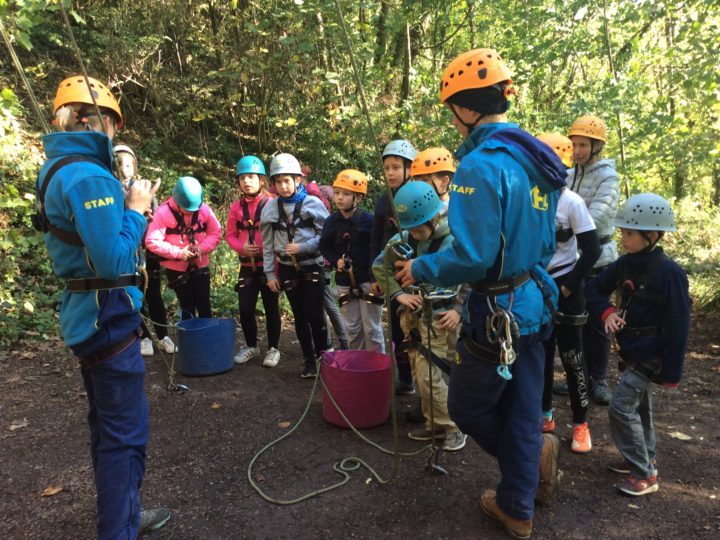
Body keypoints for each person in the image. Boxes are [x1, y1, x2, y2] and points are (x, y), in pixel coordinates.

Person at [395, 49, 567, 538]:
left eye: (452, 110)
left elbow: (471, 255)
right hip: (533, 300)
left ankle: (529, 464)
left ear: (465, 109)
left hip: (497, 312)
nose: (453, 121)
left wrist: (420, 267)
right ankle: (518, 503)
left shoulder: (479, 166)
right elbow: (547, 239)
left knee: (468, 407)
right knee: (522, 404)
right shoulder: (535, 156)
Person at [35, 74, 169, 537]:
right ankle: (120, 529)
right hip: (106, 315)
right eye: (112, 126)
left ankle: (124, 513)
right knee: (124, 437)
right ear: (100, 123)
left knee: (106, 428)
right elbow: (113, 261)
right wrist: (134, 210)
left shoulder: (55, 168)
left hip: (85, 315)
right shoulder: (90, 176)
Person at [585, 193, 690, 496]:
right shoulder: (624, 264)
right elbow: (594, 289)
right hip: (632, 351)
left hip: (652, 355)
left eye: (629, 232)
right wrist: (606, 312)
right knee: (640, 407)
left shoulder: (670, 274)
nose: (623, 237)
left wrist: (671, 371)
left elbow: (679, 325)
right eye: (622, 231)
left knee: (620, 407)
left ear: (652, 235)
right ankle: (645, 457)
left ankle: (645, 474)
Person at [373, 182, 467, 452]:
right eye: (410, 228)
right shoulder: (403, 239)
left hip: (440, 317)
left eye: (419, 228)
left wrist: (459, 310)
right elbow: (381, 265)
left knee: (430, 375)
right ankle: (435, 423)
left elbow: (473, 278)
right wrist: (397, 295)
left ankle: (452, 427)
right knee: (419, 371)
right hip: (413, 317)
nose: (415, 233)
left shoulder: (453, 239)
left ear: (434, 217)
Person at [536, 133, 601, 454]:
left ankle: (580, 422)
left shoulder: (571, 202)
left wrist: (566, 286)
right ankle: (545, 413)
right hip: (537, 287)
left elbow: (590, 250)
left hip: (566, 287)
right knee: (541, 355)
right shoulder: (529, 199)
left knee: (573, 358)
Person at [564, 115, 620, 406]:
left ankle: (598, 379)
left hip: (598, 258)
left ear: (597, 146)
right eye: (574, 144)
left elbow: (599, 217)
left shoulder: (608, 177)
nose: (577, 150)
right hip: (572, 257)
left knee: (596, 323)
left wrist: (567, 224)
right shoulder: (568, 174)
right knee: (573, 320)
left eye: (583, 144)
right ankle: (577, 376)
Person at [260, 153, 330, 378]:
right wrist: (270, 273)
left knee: (315, 315)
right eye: (278, 182)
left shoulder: (313, 204)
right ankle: (309, 360)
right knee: (299, 315)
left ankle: (324, 356)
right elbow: (268, 244)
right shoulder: (271, 209)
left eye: (287, 181)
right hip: (287, 268)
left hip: (311, 266)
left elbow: (326, 236)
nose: (283, 186)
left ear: (297, 180)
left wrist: (304, 247)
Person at [113, 144, 177, 357]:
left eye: (129, 164)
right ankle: (143, 337)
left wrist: (148, 220)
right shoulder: (110, 190)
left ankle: (162, 335)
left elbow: (158, 219)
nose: (125, 168)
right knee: (133, 295)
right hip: (126, 251)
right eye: (121, 164)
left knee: (154, 294)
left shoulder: (142, 189)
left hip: (147, 250)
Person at [370, 139, 417, 395]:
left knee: (417, 329)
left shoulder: (421, 196)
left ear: (409, 168)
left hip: (416, 273)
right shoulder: (383, 202)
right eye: (387, 168)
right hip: (391, 273)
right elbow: (376, 240)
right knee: (398, 330)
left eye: (396, 167)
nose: (390, 173)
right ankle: (406, 377)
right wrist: (374, 275)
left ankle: (423, 381)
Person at [226, 155, 282, 367]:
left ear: (261, 180)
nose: (246, 181)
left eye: (251, 177)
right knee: (246, 308)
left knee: (271, 308)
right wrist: (242, 247)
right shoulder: (236, 207)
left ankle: (273, 348)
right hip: (247, 266)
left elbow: (281, 232)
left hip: (269, 266)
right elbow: (230, 234)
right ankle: (252, 346)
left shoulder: (272, 203)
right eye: (242, 178)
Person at [320, 169, 384, 352]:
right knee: (352, 328)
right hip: (344, 282)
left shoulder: (369, 222)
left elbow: (377, 248)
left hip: (367, 280)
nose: (339, 198)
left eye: (346, 194)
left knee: (372, 328)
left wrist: (376, 277)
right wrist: (335, 261)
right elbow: (324, 246)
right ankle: (358, 366)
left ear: (359, 198)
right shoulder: (331, 222)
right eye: (337, 193)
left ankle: (377, 366)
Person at [145, 176, 222, 319]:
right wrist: (179, 253)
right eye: (187, 209)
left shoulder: (203, 209)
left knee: (204, 304)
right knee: (187, 306)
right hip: (176, 269)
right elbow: (152, 241)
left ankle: (207, 339)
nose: (191, 212)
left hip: (200, 264)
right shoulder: (163, 213)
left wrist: (202, 248)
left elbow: (216, 232)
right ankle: (189, 339)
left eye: (194, 209)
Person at [410, 147, 455, 213]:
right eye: (416, 180)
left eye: (425, 180)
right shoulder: (415, 208)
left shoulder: (457, 212)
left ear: (444, 181)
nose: (419, 186)